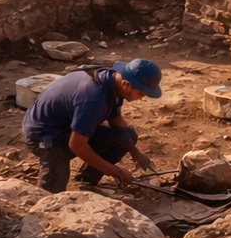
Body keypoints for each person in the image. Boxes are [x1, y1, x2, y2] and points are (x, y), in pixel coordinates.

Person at [22, 58, 160, 192]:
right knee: (54, 190)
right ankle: (48, 188)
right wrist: (116, 172)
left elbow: (117, 122)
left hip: (67, 125)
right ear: (126, 84)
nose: (141, 98)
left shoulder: (113, 82)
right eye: (141, 93)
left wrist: (136, 153)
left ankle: (86, 180)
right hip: (45, 134)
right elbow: (77, 145)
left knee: (127, 136)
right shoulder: (93, 100)